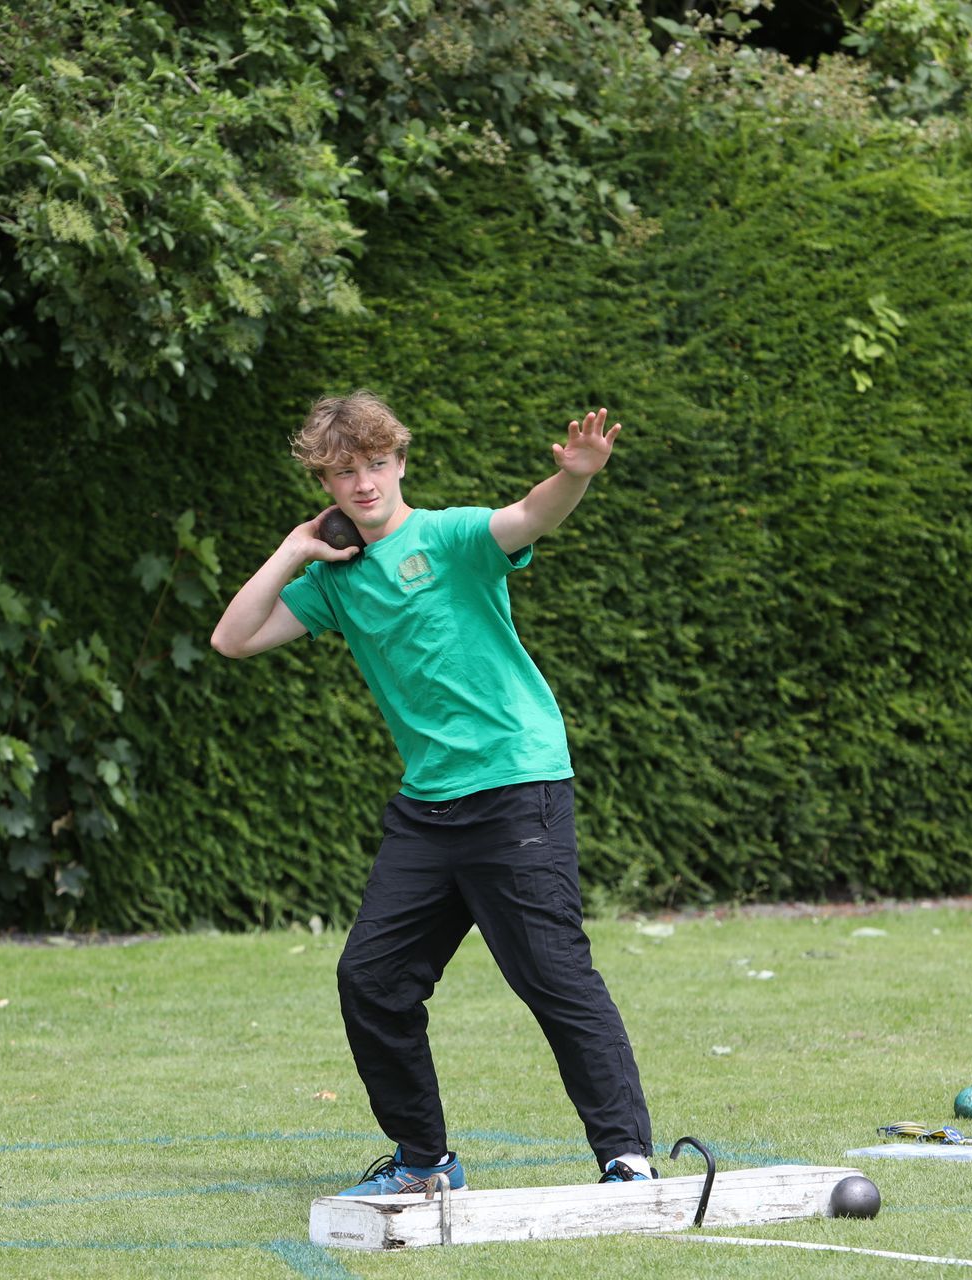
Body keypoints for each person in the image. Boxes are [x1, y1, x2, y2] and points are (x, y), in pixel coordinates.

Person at [210, 389, 656, 1195]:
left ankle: (625, 1157)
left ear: (400, 461)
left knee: (553, 976)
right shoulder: (337, 579)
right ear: (326, 484)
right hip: (429, 809)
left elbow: (527, 517)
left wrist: (579, 475)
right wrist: (293, 551)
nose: (364, 484)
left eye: (376, 464)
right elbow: (233, 638)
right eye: (344, 472)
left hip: (517, 785)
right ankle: (424, 1162)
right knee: (371, 981)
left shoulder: (449, 536)